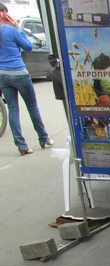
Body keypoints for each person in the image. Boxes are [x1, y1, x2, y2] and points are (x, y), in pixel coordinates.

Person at [0, 2, 54, 155]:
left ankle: (21, 146)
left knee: (13, 110)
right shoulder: (11, 30)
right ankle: (44, 138)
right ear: (4, 14)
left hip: (2, 75)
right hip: (18, 73)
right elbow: (28, 47)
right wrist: (18, 27)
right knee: (32, 107)